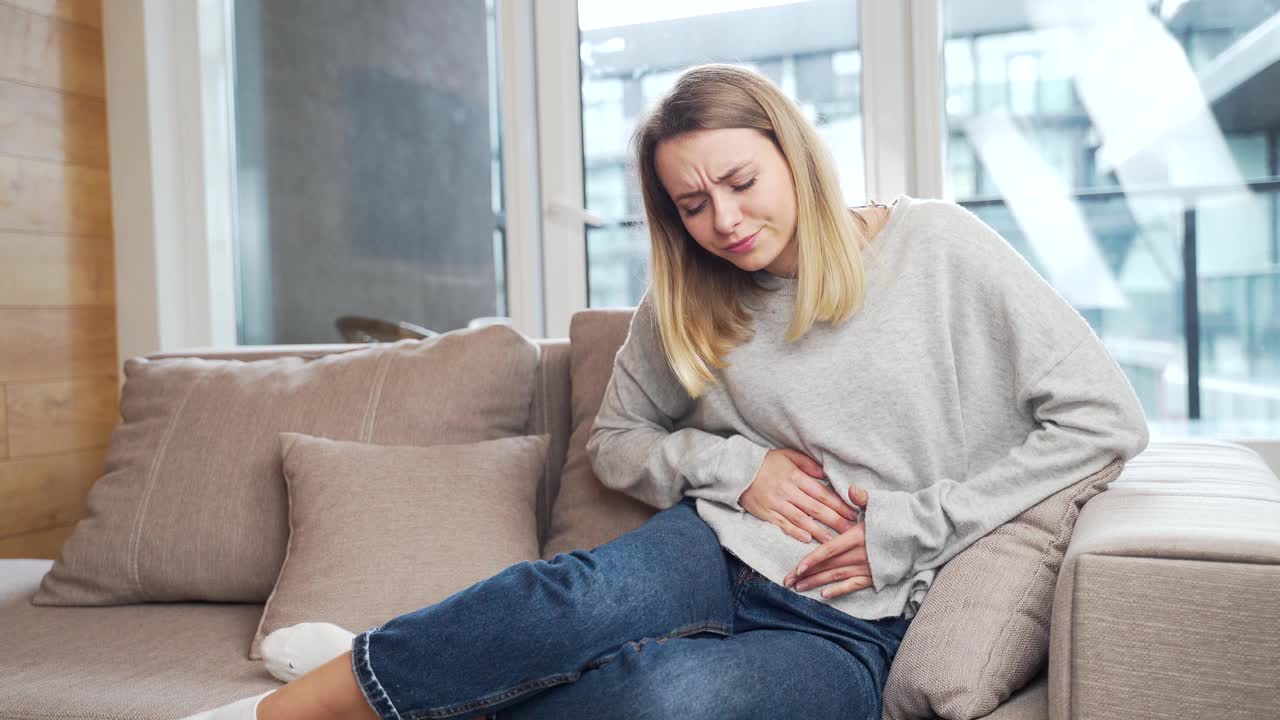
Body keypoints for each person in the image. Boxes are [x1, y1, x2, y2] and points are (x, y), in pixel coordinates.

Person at [184, 63, 1149, 720]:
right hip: (713, 548)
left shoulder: (937, 246)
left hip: (864, 618)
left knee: (664, 700)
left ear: (792, 154)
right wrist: (736, 462)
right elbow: (619, 438)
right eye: (692, 204)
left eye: (739, 182)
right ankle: (285, 711)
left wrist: (914, 524)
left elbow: (1106, 418)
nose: (724, 221)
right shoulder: (687, 293)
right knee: (561, 606)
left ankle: (394, 676)